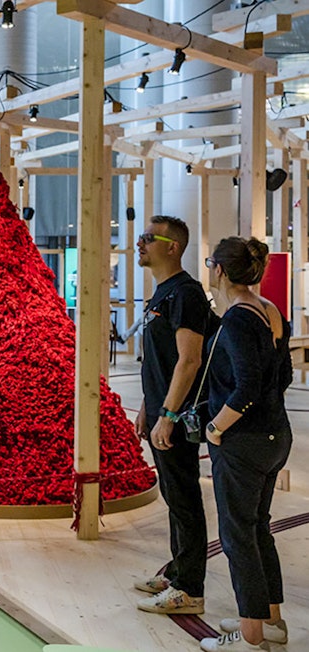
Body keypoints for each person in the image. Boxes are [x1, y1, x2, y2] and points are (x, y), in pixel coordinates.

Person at [198, 238, 291, 652]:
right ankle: (269, 619)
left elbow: (246, 386)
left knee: (238, 535)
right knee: (258, 528)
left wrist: (216, 428)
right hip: (275, 434)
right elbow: (281, 377)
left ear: (219, 269)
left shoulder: (236, 319)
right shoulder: (270, 311)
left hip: (244, 441)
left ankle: (249, 636)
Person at [134, 215, 212, 616]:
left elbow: (189, 360)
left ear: (172, 247)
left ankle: (189, 589)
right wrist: (149, 406)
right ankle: (177, 570)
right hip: (161, 410)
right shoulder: (161, 294)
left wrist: (168, 413)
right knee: (172, 493)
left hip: (179, 419)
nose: (139, 243)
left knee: (184, 497)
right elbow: (159, 361)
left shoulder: (185, 294)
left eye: (148, 238)